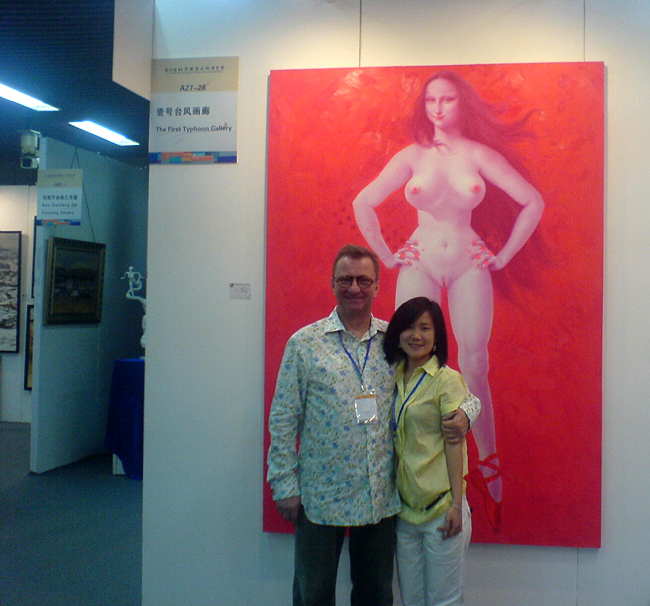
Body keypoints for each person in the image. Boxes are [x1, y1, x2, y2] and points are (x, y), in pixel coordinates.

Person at [353, 70, 545, 530]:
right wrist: (387, 255)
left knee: (475, 362)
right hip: (419, 260)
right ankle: (398, 460)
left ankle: (488, 463)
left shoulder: (479, 155)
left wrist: (502, 256)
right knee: (403, 362)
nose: (438, 108)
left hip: (467, 262)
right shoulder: (412, 156)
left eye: (447, 100)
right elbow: (363, 202)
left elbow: (532, 201)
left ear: (462, 104)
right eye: (431, 100)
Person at [267, 244, 480, 606]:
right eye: (345, 279)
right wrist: (284, 483)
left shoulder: (393, 342)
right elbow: (284, 417)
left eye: (363, 280)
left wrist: (467, 413)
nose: (354, 288)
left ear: (377, 286)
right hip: (322, 494)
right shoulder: (304, 344)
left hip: (380, 496)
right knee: (313, 592)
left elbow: (450, 386)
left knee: (376, 595)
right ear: (332, 283)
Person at [384, 296, 472, 606]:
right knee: (411, 599)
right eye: (408, 327)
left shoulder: (447, 380)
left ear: (437, 337)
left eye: (425, 328)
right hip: (405, 511)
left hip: (441, 509)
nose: (416, 335)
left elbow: (454, 442)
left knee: (444, 600)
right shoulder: (392, 377)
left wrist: (456, 505)